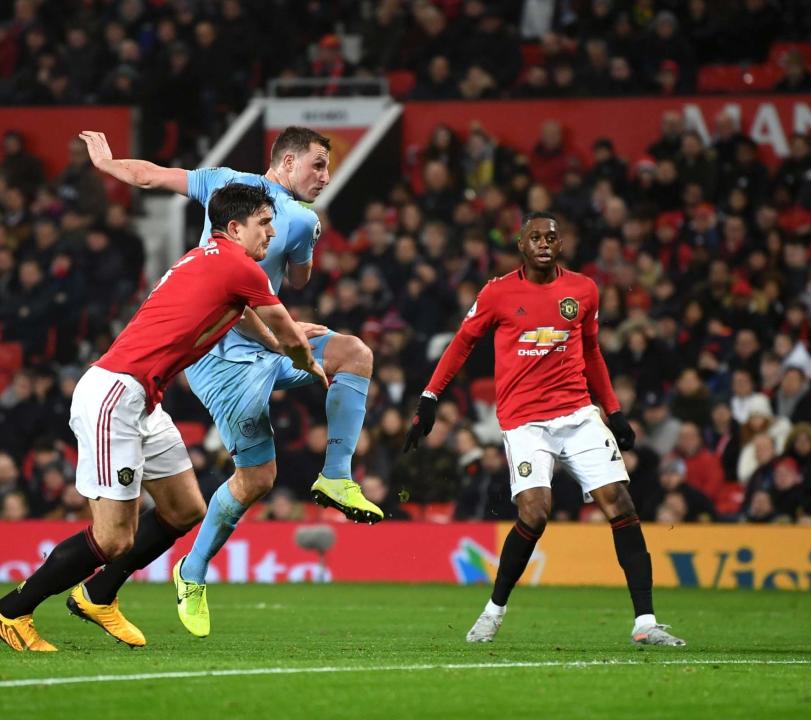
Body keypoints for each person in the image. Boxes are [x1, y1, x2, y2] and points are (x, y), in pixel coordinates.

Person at [78, 128, 381, 638]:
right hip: (219, 360)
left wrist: (109, 164)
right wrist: (106, 163)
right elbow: (294, 281)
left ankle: (336, 475)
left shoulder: (279, 209)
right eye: (318, 165)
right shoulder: (249, 196)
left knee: (355, 353)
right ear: (286, 162)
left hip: (267, 339)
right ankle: (187, 573)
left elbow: (149, 175)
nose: (325, 177)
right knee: (256, 475)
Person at [0, 183, 323, 652]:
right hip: (114, 394)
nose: (272, 233)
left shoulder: (211, 257)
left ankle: (98, 595)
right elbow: (282, 329)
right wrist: (308, 361)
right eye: (264, 223)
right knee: (112, 538)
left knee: (184, 509)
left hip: (143, 398)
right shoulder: (237, 264)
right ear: (235, 227)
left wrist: (279, 341)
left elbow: (246, 313)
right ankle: (13, 611)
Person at [403, 212, 684, 648]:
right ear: (521, 245)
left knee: (621, 504)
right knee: (535, 511)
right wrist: (429, 398)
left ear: (561, 243)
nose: (543, 242)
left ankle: (645, 622)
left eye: (551, 236)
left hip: (577, 414)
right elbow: (462, 343)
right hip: (524, 421)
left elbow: (591, 351)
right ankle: (493, 613)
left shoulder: (584, 290)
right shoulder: (497, 293)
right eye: (534, 237)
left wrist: (613, 410)